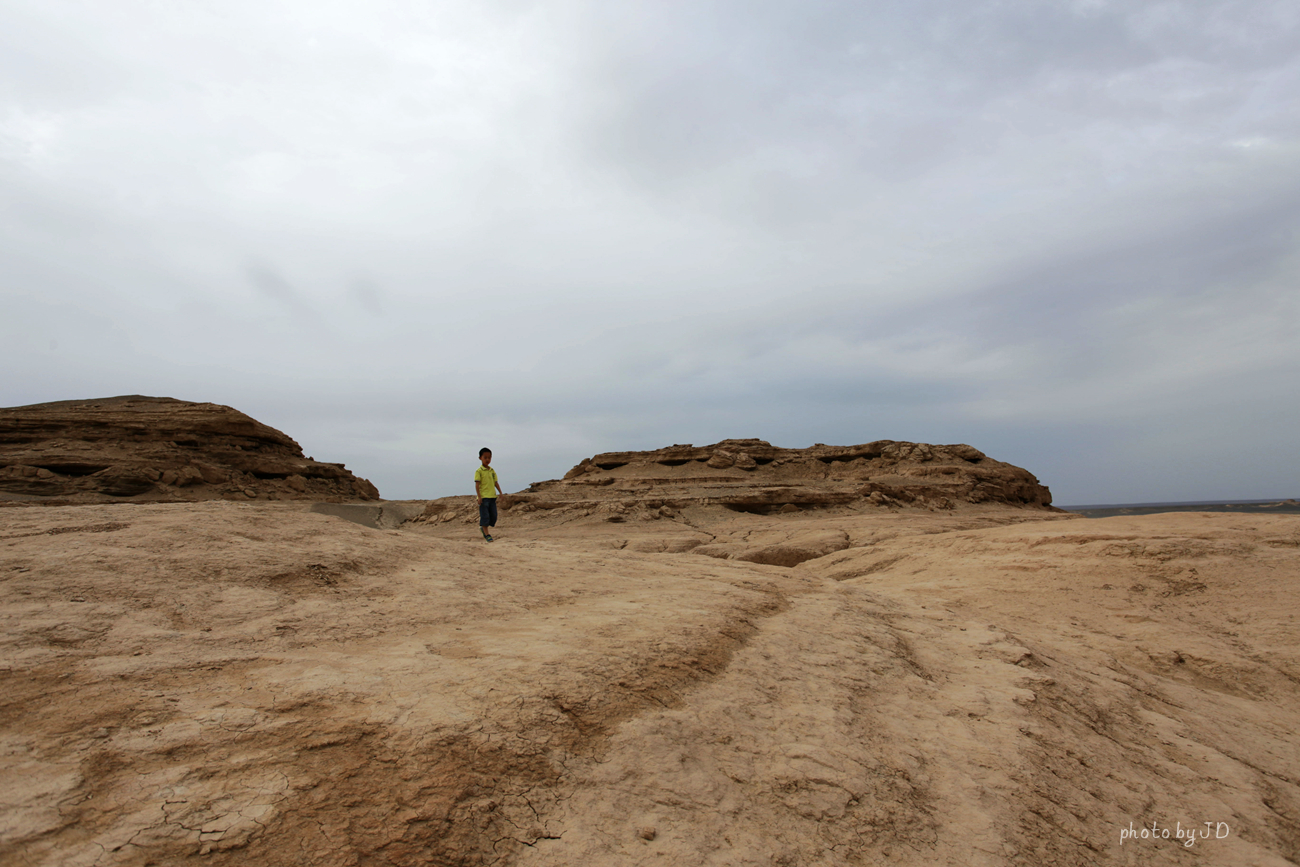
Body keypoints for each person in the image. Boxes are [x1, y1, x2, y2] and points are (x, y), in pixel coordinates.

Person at [474, 447, 503, 541]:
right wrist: (479, 497)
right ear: (480, 458)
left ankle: (484, 527)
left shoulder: (492, 471)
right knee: (485, 516)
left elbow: (495, 482)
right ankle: (487, 534)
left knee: (493, 516)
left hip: (492, 497)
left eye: (489, 458)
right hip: (484, 497)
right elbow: (477, 485)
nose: (487, 460)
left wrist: (500, 493)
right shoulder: (479, 471)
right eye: (485, 457)